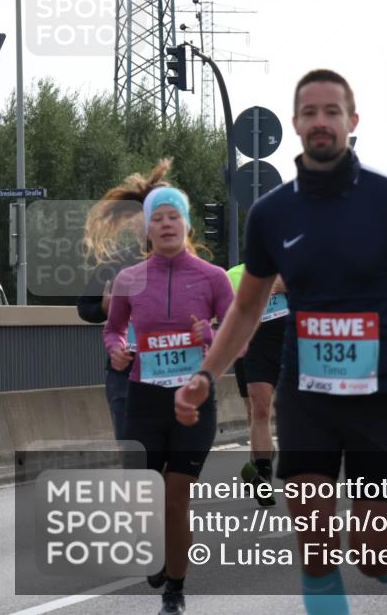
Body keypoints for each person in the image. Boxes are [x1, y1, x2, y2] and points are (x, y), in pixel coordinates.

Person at [175, 70, 387, 614]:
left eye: (331, 111)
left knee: (373, 559)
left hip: (381, 394)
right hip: (305, 392)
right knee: (314, 542)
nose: (320, 122)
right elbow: (247, 307)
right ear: (296, 124)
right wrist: (203, 376)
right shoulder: (272, 213)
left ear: (351, 122)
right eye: (309, 112)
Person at [100, 165, 235, 615]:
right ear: (147, 228)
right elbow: (114, 330)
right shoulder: (129, 280)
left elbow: (236, 335)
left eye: (173, 216)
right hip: (145, 397)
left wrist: (208, 338)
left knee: (177, 497)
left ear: (187, 225)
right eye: (158, 218)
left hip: (194, 400)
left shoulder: (213, 278)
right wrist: (118, 350)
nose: (166, 224)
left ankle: (174, 589)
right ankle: (158, 553)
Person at [80, 175, 156, 440]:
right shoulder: (115, 265)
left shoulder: (184, 266)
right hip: (124, 373)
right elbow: (84, 308)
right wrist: (102, 308)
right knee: (133, 452)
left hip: (170, 372)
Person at [227, 263, 288, 507]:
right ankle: (263, 475)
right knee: (258, 411)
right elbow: (227, 309)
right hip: (253, 348)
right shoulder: (233, 275)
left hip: (289, 343)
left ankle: (257, 464)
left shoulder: (292, 265)